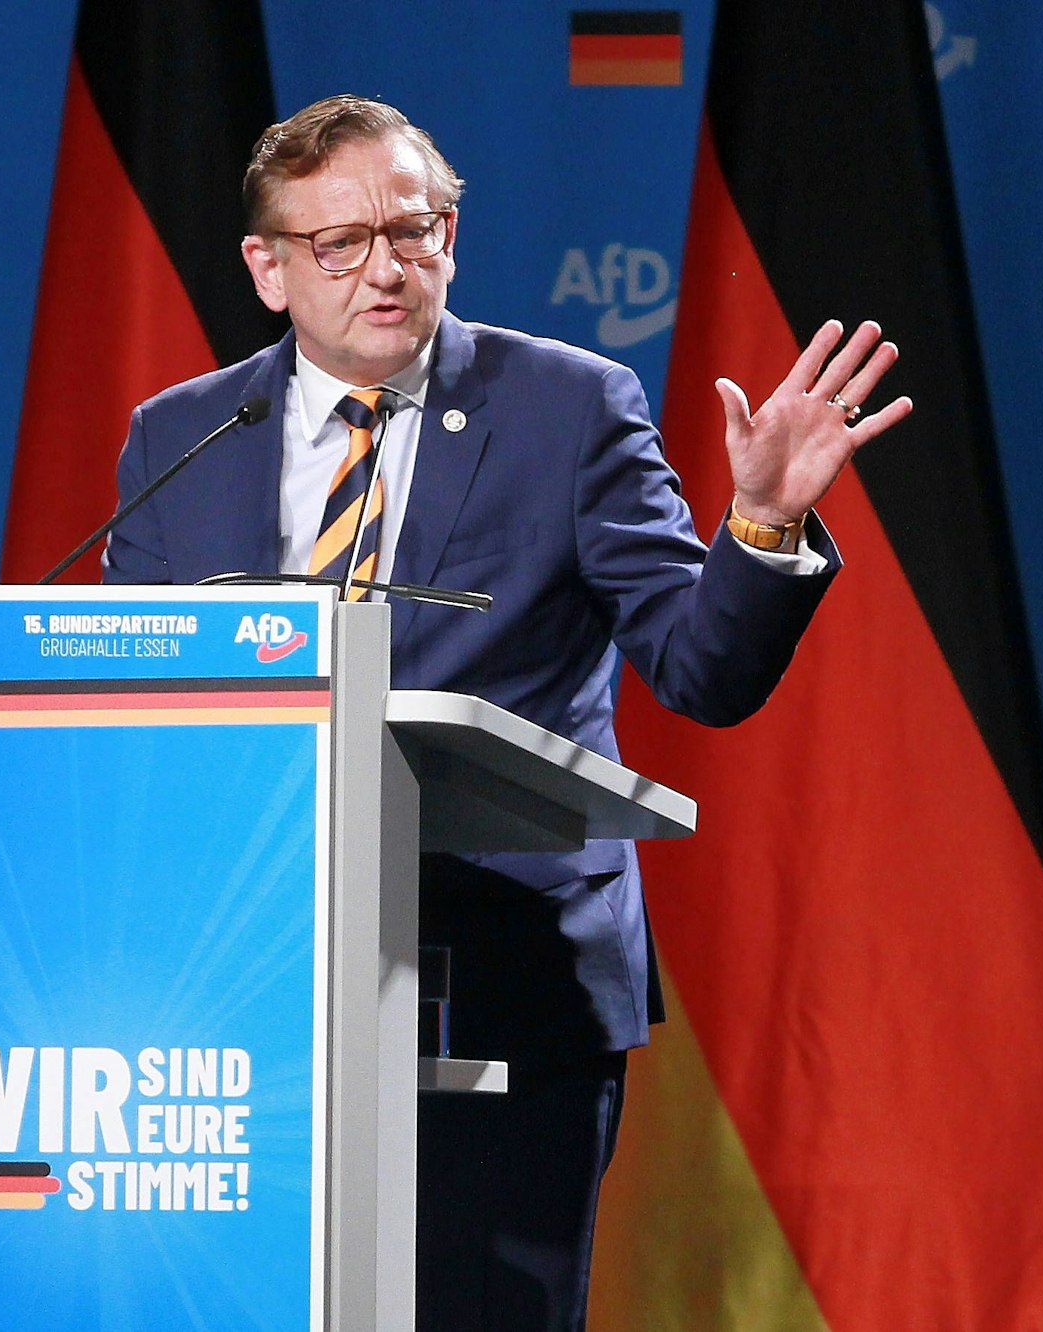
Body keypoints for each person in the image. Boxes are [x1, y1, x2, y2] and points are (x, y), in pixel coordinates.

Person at [102, 94, 910, 1331]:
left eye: (412, 229)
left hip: (506, 983)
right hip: (243, 997)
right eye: (340, 243)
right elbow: (129, 713)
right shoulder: (183, 436)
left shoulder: (567, 408)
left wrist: (761, 522)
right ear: (268, 269)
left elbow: (701, 671)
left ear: (450, 237)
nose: (386, 268)